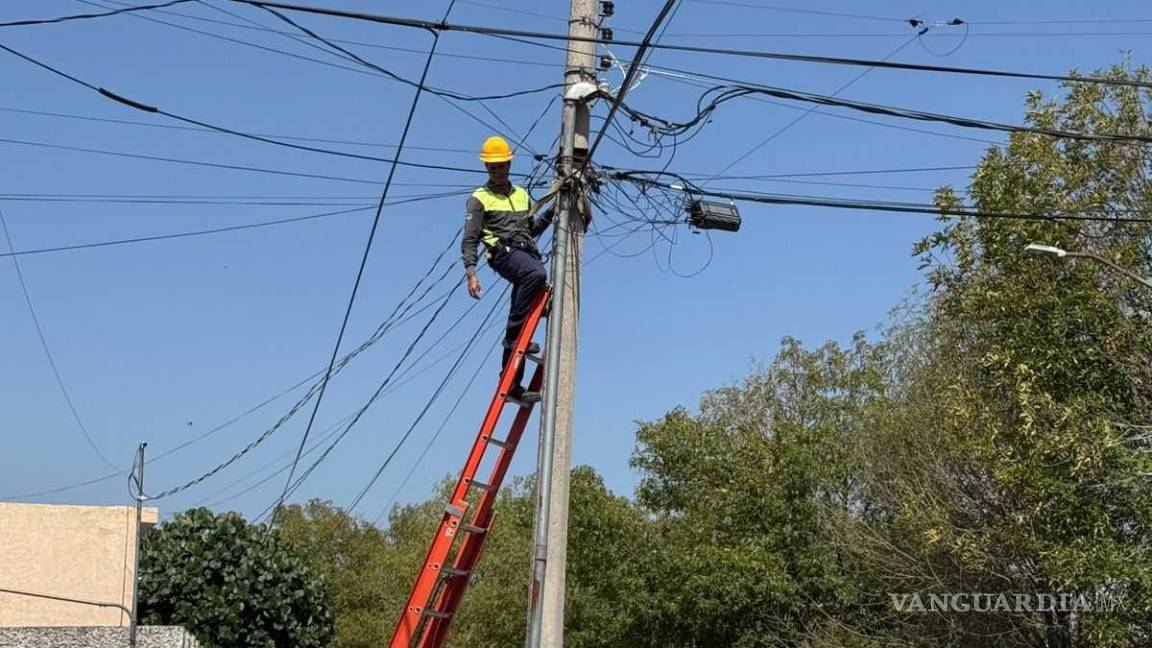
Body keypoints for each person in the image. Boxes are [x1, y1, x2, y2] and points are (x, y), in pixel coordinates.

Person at [462, 136, 553, 405]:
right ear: (486, 169)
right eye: (493, 167)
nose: (498, 171)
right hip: (502, 253)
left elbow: (532, 229)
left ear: (509, 164)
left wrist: (553, 210)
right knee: (535, 275)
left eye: (501, 166)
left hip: (525, 252)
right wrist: (471, 272)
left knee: (528, 297)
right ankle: (513, 339)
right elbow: (470, 238)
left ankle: (512, 384)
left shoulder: (522, 194)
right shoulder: (479, 198)